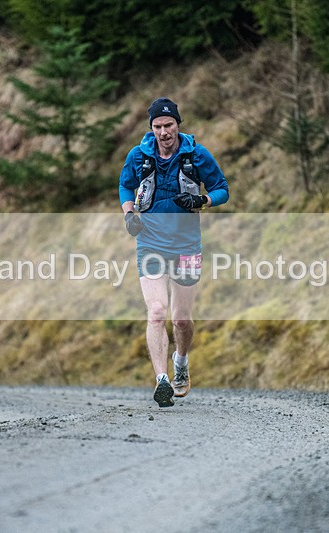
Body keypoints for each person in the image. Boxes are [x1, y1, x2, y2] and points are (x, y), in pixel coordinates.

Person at [119, 97, 229, 407]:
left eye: (169, 125)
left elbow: (222, 188)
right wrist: (129, 214)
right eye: (158, 126)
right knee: (156, 312)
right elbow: (126, 186)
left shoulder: (196, 155)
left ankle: (180, 362)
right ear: (151, 128)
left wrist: (202, 201)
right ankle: (161, 380)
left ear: (177, 125)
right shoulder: (139, 156)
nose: (164, 131)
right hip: (150, 243)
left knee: (181, 320)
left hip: (186, 245)